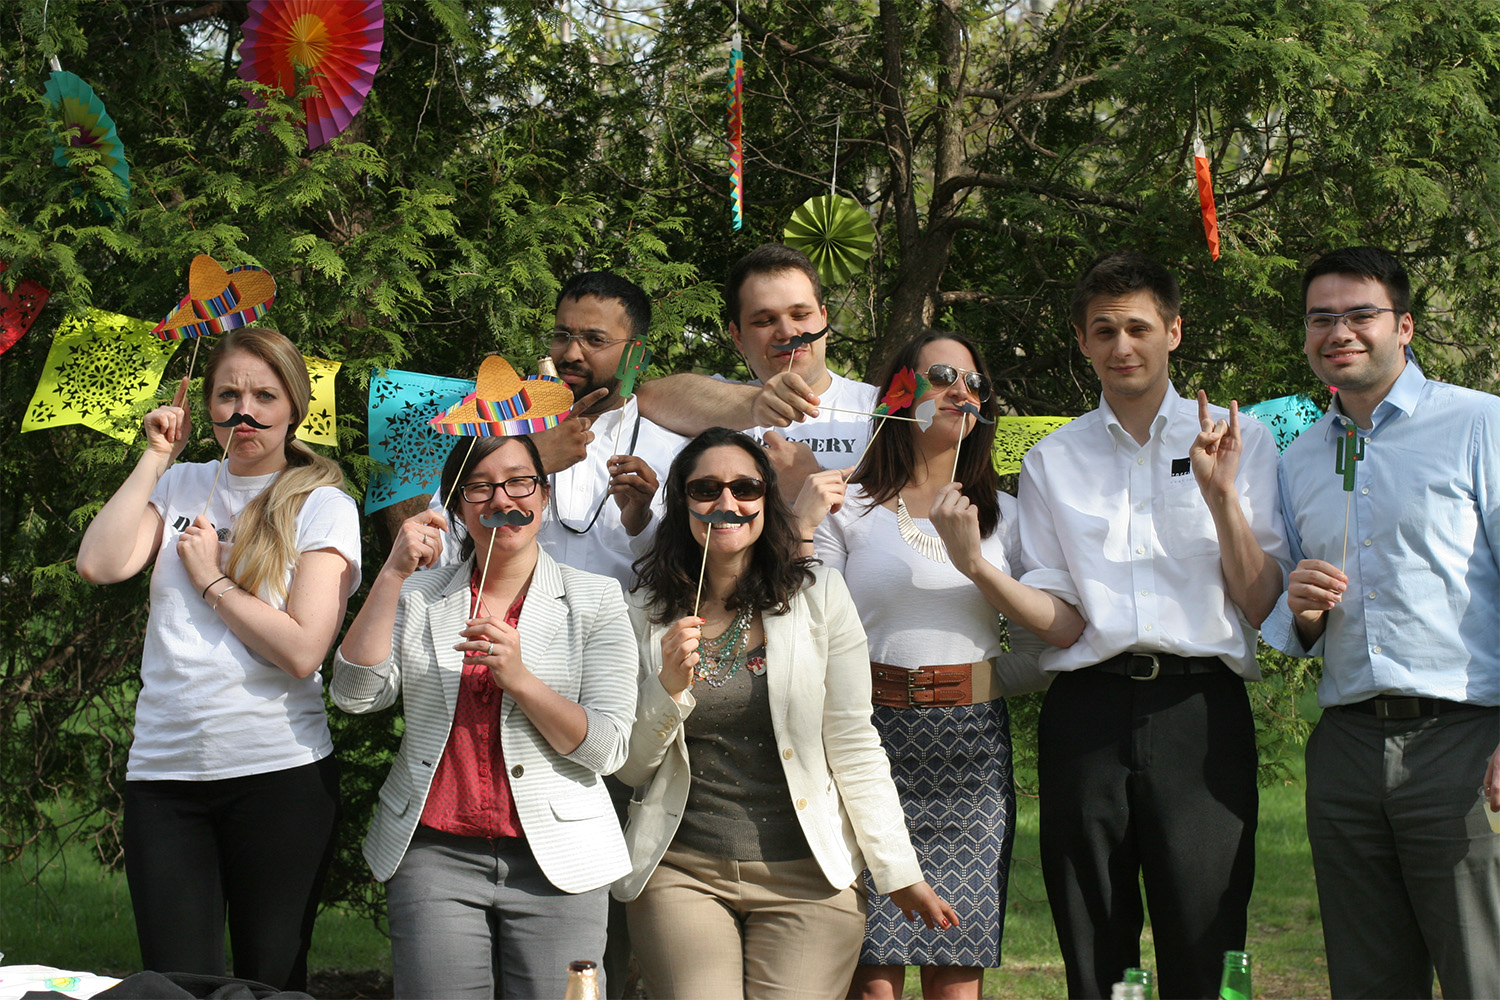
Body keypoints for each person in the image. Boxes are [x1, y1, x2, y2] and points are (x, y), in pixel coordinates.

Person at [1016, 252, 1288, 999]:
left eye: (1138, 327)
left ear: (1174, 331)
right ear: (1082, 340)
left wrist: (1221, 495)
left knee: (1207, 931)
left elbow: (1260, 599)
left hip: (1200, 710)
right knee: (1095, 940)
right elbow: (1057, 615)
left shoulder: (1243, 440)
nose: (1122, 345)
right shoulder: (1051, 460)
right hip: (1087, 714)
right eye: (1103, 330)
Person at [615, 427, 956, 1000]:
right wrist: (668, 690)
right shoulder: (643, 613)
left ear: (767, 501)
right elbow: (630, 768)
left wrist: (899, 871)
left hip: (809, 875)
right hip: (683, 869)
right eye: (705, 488)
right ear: (682, 503)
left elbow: (852, 741)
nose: (727, 503)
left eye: (745, 487)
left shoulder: (819, 594)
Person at [75, 327, 361, 992]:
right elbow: (99, 562)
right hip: (164, 777)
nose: (245, 411)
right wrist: (154, 458)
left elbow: (301, 650)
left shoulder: (322, 504)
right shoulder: (180, 485)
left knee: (271, 985)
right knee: (174, 985)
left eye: (264, 395)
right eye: (228, 394)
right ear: (205, 406)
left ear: (294, 406)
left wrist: (212, 581)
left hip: (277, 776)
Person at [1260, 246, 1500, 999]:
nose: (1340, 331)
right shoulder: (1298, 460)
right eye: (1321, 318)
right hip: (1348, 749)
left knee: (1481, 972)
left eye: (1360, 314)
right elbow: (1293, 626)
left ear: (1405, 326)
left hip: (1464, 739)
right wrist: (1299, 610)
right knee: (1368, 981)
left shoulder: (1480, 425)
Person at [332, 433, 637, 999]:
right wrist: (393, 575)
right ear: (455, 506)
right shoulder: (419, 594)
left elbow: (609, 747)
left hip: (559, 860)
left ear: (543, 497)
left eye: (520, 481)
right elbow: (355, 694)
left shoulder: (596, 599)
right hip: (435, 850)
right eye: (479, 487)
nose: (503, 500)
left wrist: (520, 680)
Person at [803, 330, 1056, 1000]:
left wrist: (974, 670)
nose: (961, 392)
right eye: (942, 375)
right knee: (872, 973)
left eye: (975, 384)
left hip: (971, 753)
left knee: (955, 964)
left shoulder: (1012, 515)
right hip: (866, 740)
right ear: (900, 391)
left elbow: (1047, 644)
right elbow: (813, 628)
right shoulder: (847, 506)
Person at [433, 272, 686, 592]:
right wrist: (529, 461)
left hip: (624, 639)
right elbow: (438, 548)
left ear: (635, 355)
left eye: (595, 340)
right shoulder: (499, 435)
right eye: (562, 335)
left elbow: (693, 580)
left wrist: (641, 524)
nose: (570, 355)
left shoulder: (672, 453)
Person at [636, 244, 879, 494]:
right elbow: (649, 398)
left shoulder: (878, 408)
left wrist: (808, 483)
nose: (787, 333)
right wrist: (755, 403)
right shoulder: (722, 407)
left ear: (823, 319)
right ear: (737, 336)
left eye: (800, 315)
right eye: (765, 321)